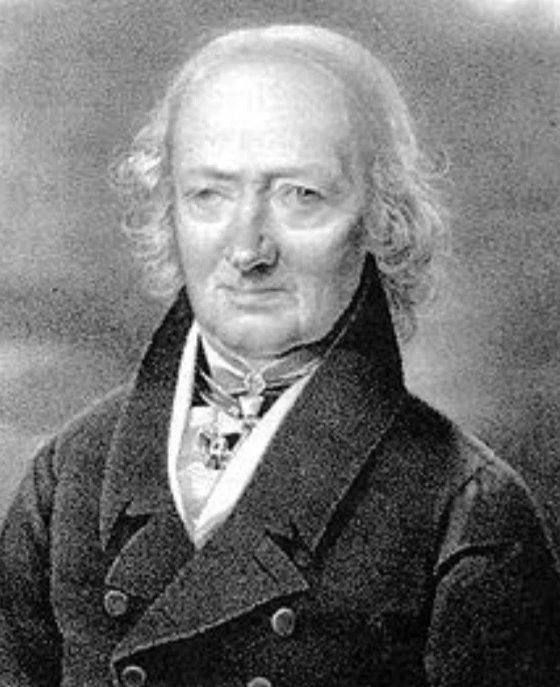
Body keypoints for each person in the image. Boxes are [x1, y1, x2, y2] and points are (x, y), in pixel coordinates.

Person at [1, 23, 559, 687]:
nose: (248, 250)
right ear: (168, 209)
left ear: (381, 216)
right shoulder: (70, 473)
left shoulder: (468, 510)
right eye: (210, 194)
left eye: (301, 195)